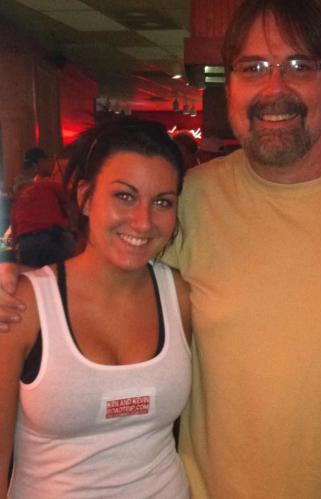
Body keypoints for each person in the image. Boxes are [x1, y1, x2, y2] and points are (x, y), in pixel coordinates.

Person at [1, 0, 321, 498]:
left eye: (299, 65)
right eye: (253, 67)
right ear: (230, 86)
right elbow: (102, 279)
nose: (274, 88)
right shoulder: (190, 199)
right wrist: (17, 285)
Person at [0, 118, 192, 498]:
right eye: (124, 196)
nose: (143, 221)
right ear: (86, 197)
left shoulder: (180, 295)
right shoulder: (24, 306)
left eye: (162, 202)